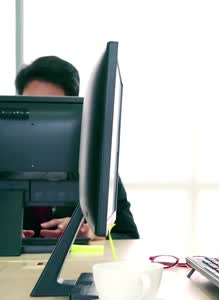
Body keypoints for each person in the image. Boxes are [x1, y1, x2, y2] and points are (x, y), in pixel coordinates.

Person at [15, 55, 139, 240]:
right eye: (30, 105)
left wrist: (90, 233)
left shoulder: (95, 165)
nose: (38, 118)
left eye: (50, 108)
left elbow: (128, 235)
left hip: (71, 266)